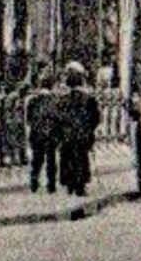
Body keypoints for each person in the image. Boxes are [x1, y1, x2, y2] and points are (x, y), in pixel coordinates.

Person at [57, 63, 101, 197]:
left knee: (67, 157)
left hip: (67, 136)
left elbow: (58, 118)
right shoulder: (88, 99)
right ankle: (80, 185)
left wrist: (60, 132)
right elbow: (96, 117)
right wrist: (90, 129)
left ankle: (70, 184)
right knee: (81, 158)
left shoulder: (62, 100)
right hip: (83, 134)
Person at [25, 71, 61, 194]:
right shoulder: (55, 101)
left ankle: (34, 182)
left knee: (36, 159)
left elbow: (28, 118)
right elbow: (57, 118)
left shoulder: (33, 100)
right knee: (51, 159)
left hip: (36, 133)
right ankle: (51, 185)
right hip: (50, 134)